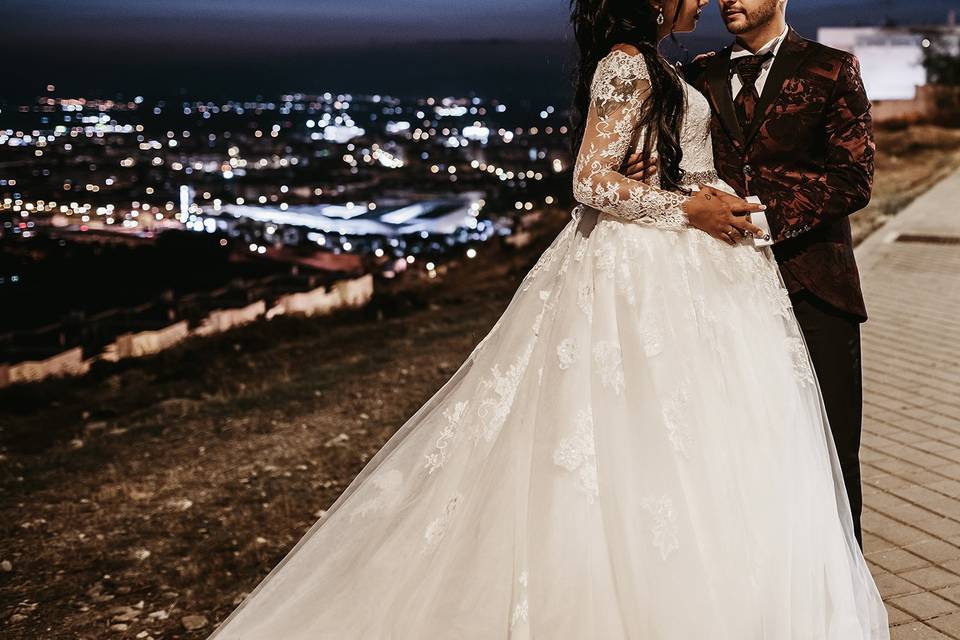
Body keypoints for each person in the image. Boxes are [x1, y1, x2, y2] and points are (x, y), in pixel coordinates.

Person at [208, 1, 889, 637]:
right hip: (680, 273)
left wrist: (737, 213)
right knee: (670, 446)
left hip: (778, 279)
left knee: (810, 453)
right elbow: (596, 176)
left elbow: (851, 175)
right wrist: (689, 207)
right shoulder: (677, 68)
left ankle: (826, 587)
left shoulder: (824, 67)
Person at [626, 0, 876, 548]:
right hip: (719, 290)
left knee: (833, 452)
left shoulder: (833, 68)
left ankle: (847, 603)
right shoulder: (696, 74)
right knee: (742, 453)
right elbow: (673, 163)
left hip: (814, 286)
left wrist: (756, 217)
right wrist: (646, 173)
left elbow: (853, 179)